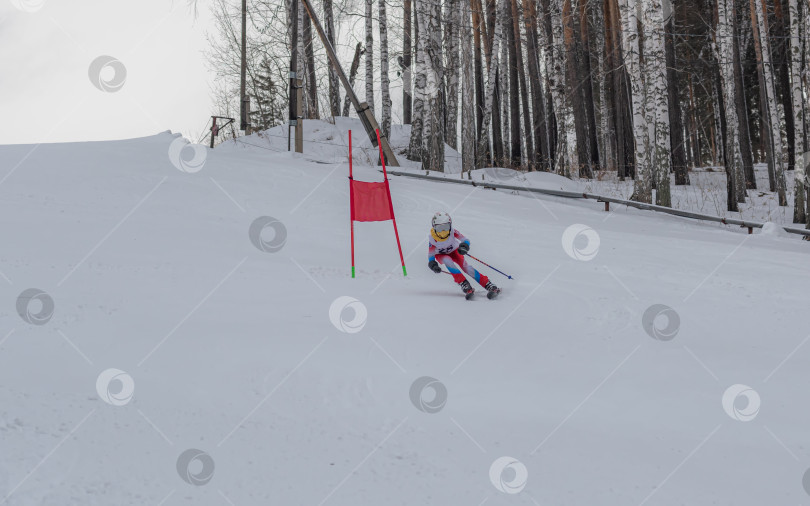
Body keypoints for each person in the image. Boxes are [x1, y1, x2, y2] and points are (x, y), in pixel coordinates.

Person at [427, 212, 500, 298]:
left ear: (450, 226)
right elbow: (431, 255)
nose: (443, 231)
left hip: (455, 251)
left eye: (446, 227)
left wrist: (464, 246)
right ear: (434, 227)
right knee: (447, 261)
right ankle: (464, 283)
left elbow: (465, 240)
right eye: (439, 228)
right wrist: (433, 265)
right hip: (441, 255)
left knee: (466, 267)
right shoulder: (433, 239)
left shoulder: (452, 232)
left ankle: (487, 284)